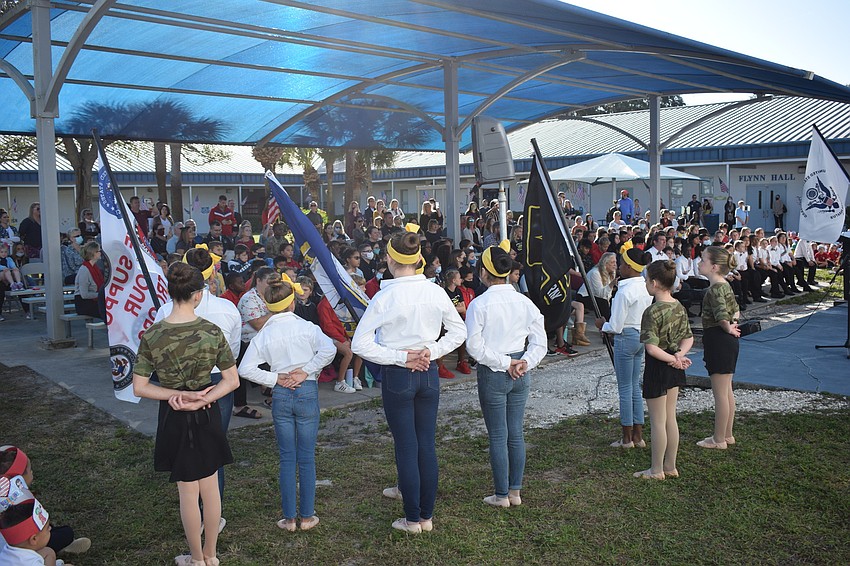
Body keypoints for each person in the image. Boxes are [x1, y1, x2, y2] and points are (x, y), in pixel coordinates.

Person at [351, 230, 465, 534]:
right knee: (425, 444)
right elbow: (458, 332)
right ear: (417, 260)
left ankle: (413, 519)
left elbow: (360, 345)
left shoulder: (385, 296)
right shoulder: (435, 290)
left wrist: (403, 357)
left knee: (407, 446)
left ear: (390, 259)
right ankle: (425, 516)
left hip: (400, 374)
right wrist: (432, 351)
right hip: (427, 372)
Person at [132, 262, 239, 566]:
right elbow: (232, 381)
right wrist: (202, 396)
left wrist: (177, 396)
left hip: (174, 415)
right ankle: (211, 555)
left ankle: (196, 559)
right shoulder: (211, 331)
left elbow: (140, 387)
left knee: (188, 493)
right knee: (210, 487)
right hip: (207, 411)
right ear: (197, 295)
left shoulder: (154, 334)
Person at [239, 278, 336, 532]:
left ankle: (289, 518)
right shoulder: (308, 327)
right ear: (292, 303)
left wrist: (274, 379)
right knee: (306, 456)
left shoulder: (265, 334)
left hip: (281, 393)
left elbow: (245, 368)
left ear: (268, 306)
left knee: (286, 457)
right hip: (306, 391)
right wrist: (307, 371)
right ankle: (307, 516)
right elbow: (329, 351)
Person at [153, 248, 242, 510]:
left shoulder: (164, 312)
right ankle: (211, 511)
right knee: (214, 446)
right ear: (211, 274)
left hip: (186, 384)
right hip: (217, 380)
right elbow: (233, 352)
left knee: (193, 448)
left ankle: (202, 512)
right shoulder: (226, 309)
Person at [465, 244, 546, 507]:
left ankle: (502, 495)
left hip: (495, 370)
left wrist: (507, 362)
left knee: (499, 435)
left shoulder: (479, 304)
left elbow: (474, 347)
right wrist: (523, 362)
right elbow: (540, 343)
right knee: (515, 432)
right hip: (519, 370)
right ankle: (514, 492)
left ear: (484, 273)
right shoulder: (524, 301)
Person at [634, 260, 693, 480]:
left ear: (655, 283)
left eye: (647, 280)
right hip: (674, 365)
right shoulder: (679, 306)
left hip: (659, 367)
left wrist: (672, 359)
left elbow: (651, 348)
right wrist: (679, 356)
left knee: (658, 421)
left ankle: (656, 470)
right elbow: (689, 338)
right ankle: (670, 465)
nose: (645, 283)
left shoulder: (652, 311)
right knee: (671, 418)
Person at [595, 248, 652, 449]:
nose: (618, 266)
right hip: (641, 336)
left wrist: (603, 325)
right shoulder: (645, 287)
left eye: (620, 263)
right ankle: (639, 435)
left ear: (628, 267)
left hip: (625, 337)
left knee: (625, 388)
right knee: (635, 386)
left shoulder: (624, 291)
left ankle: (626, 438)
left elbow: (616, 326)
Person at [696, 246, 741, 450]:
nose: (699, 262)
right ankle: (727, 434)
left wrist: (727, 326)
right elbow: (736, 311)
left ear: (714, 266)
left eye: (703, 259)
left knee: (720, 393)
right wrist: (732, 325)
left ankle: (718, 439)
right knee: (727, 390)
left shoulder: (715, 288)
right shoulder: (725, 285)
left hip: (718, 339)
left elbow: (722, 315)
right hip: (727, 341)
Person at [577, 252, 616, 320]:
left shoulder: (611, 273)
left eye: (615, 262)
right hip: (584, 296)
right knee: (603, 303)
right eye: (612, 262)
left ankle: (612, 322)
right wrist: (611, 284)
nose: (615, 265)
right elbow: (600, 294)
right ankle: (607, 325)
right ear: (605, 263)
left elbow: (608, 295)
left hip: (596, 296)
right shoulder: (595, 273)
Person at [73, 242, 105, 320]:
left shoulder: (95, 267)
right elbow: (84, 294)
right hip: (84, 304)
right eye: (98, 251)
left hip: (93, 301)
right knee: (107, 312)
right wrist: (101, 295)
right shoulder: (84, 270)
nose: (100, 252)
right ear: (92, 253)